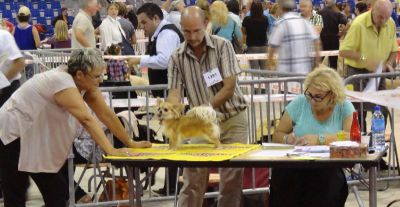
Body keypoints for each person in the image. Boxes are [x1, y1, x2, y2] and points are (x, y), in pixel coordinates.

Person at [0, 48, 151, 207]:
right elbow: (86, 119)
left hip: (33, 136)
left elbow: (106, 114)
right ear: (80, 74)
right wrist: (111, 150)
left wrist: (130, 142)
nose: (101, 80)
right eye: (97, 76)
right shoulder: (61, 81)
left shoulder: (84, 82)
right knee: (18, 189)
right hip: (11, 132)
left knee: (56, 191)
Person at [167, 6, 248, 207]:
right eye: (187, 31)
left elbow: (229, 87)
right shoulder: (176, 57)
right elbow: (174, 95)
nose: (192, 36)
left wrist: (203, 110)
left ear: (205, 24)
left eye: (196, 30)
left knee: (231, 182)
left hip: (232, 119)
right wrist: (171, 114)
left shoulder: (223, 47)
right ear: (181, 28)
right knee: (192, 179)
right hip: (198, 126)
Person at [270, 66, 355, 207]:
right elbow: (278, 134)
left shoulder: (344, 107)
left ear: (333, 95)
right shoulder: (300, 103)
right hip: (297, 166)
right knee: (281, 175)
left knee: (326, 183)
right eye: (309, 95)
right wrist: (288, 139)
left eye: (318, 97)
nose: (312, 101)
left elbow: (351, 137)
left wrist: (319, 139)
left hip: (328, 168)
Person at [339, 0, 396, 131]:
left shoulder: (390, 23)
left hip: (378, 74)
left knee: (382, 111)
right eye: (380, 17)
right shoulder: (359, 24)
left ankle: (377, 143)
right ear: (372, 10)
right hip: (357, 73)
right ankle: (358, 142)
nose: (383, 21)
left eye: (386, 17)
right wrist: (366, 59)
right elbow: (344, 51)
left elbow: (394, 50)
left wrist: (389, 63)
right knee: (357, 112)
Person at [128, 3, 184, 98]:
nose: (141, 26)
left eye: (144, 22)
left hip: (171, 94)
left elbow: (164, 61)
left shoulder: (166, 34)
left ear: (155, 18)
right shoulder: (162, 33)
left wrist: (139, 60)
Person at [267, 0, 320, 74]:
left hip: (286, 74)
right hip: (304, 73)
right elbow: (317, 42)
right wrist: (316, 64)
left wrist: (270, 65)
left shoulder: (280, 24)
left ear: (280, 8)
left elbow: (271, 48)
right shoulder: (305, 23)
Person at [13, 6, 40, 80]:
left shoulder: (14, 29)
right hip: (30, 58)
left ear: (18, 17)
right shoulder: (33, 28)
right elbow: (38, 44)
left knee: (19, 80)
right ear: (29, 17)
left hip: (19, 58)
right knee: (30, 80)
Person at [319, 0, 347, 69]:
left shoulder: (320, 12)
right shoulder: (338, 13)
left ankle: (315, 78)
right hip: (334, 41)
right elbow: (345, 25)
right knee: (333, 64)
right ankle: (333, 78)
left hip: (322, 41)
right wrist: (341, 34)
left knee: (318, 63)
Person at [242, 1, 269, 69]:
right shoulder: (265, 19)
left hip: (251, 47)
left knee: (255, 72)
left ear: (251, 8)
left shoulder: (247, 19)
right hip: (264, 46)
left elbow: (243, 32)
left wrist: (243, 43)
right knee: (265, 70)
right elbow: (266, 30)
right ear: (261, 9)